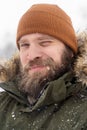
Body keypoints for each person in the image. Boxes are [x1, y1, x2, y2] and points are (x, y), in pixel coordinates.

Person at [0, 3, 87, 130]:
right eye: (25, 45)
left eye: (45, 43)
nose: (32, 55)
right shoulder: (3, 104)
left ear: (70, 51)